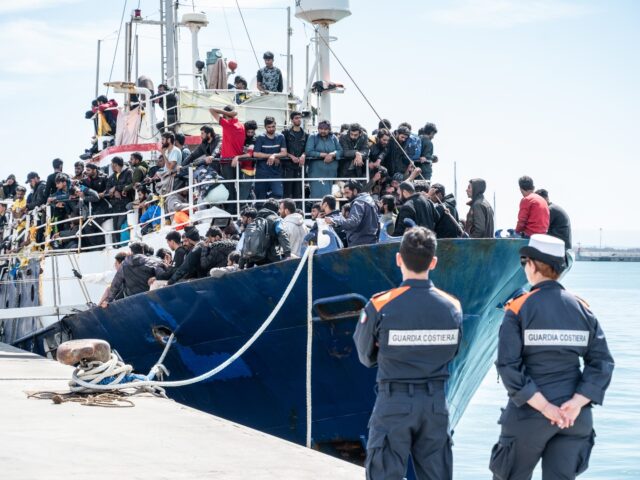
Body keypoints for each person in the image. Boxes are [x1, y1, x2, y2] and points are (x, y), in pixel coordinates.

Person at [490, 234, 614, 480]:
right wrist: (576, 403)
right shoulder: (582, 309)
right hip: (573, 418)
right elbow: (602, 362)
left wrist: (546, 407)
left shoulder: (518, 309)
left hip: (528, 416)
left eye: (525, 261)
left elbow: (508, 366)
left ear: (533, 265)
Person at [354, 227, 462, 479]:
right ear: (433, 262)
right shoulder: (452, 307)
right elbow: (452, 352)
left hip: (394, 401)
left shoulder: (380, 304)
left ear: (398, 258)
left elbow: (364, 355)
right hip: (435, 404)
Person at [209, 105, 245, 214]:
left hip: (227, 161)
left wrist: (226, 113)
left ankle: (232, 211)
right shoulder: (241, 126)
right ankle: (237, 210)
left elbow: (211, 109)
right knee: (236, 186)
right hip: (237, 161)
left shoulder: (227, 124)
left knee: (229, 186)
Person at [325, 180, 378, 247]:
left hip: (360, 245)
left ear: (355, 191)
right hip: (371, 242)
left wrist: (334, 220)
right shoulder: (371, 201)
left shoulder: (358, 203)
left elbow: (352, 222)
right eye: (344, 193)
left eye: (347, 193)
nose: (346, 196)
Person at [305, 120, 343, 200]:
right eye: (321, 129)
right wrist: (323, 155)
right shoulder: (313, 137)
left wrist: (332, 154)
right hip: (316, 173)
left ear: (329, 130)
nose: (323, 131)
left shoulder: (333, 138)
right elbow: (308, 151)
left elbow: (340, 151)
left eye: (325, 129)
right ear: (318, 129)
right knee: (317, 198)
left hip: (331, 174)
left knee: (330, 198)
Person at [253, 116, 286, 199]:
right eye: (269, 127)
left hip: (276, 172)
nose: (271, 129)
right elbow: (255, 154)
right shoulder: (260, 138)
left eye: (273, 126)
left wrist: (274, 155)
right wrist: (270, 156)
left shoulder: (281, 137)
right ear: (265, 127)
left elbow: (284, 152)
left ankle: (270, 205)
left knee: (278, 194)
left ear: (275, 125)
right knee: (260, 198)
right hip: (262, 172)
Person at [281, 111, 308, 204]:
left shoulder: (305, 134)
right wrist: (290, 156)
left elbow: (307, 148)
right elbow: (282, 148)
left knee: (298, 192)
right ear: (292, 120)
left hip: (300, 167)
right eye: (296, 118)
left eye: (300, 118)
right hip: (287, 166)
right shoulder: (285, 133)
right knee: (287, 192)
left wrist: (303, 155)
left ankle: (299, 212)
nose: (299, 119)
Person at [105, 156, 134, 242]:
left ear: (117, 164)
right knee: (115, 228)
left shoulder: (129, 172)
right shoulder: (112, 177)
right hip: (115, 206)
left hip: (125, 204)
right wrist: (114, 191)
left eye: (113, 164)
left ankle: (123, 243)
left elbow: (130, 184)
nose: (112, 166)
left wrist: (116, 188)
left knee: (120, 225)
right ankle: (117, 245)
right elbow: (108, 188)